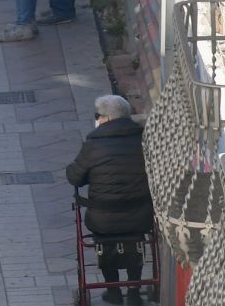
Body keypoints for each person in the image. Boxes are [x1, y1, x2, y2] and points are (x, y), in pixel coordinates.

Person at [67, 95, 154, 304]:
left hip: (102, 219)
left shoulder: (94, 144)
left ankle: (113, 291)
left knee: (105, 242)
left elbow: (74, 176)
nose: (96, 119)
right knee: (135, 240)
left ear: (106, 118)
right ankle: (134, 290)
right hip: (140, 216)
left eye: (97, 116)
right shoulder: (143, 139)